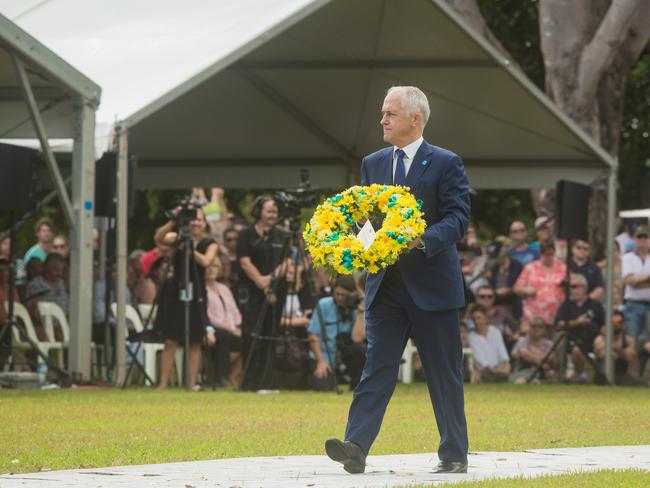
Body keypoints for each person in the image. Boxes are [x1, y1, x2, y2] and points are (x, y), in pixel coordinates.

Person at [325, 86, 470, 475]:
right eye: (383, 113)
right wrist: (357, 244)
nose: (382, 120)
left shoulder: (445, 162)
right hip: (385, 286)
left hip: (433, 286)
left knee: (443, 372)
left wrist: (424, 240)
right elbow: (367, 218)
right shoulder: (372, 162)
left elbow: (458, 218)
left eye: (389, 113)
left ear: (414, 119)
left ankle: (454, 453)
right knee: (377, 366)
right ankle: (355, 445)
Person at [154, 206, 218, 390]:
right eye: (192, 219)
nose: (195, 223)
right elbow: (158, 238)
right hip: (177, 291)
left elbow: (207, 261)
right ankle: (163, 383)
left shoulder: (209, 243)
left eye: (199, 219)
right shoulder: (177, 238)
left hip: (197, 291)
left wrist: (190, 250)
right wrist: (174, 220)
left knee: (196, 341)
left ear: (204, 223)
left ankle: (191, 384)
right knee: (170, 339)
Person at [237, 196, 290, 390]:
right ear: (259, 212)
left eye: (275, 211)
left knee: (271, 335)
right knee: (251, 335)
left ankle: (267, 381)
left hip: (276, 290)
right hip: (252, 291)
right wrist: (261, 282)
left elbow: (288, 262)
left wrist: (271, 279)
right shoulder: (246, 234)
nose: (272, 215)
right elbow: (244, 261)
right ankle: (248, 382)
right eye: (269, 211)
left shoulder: (282, 235)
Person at [308, 275, 365, 392]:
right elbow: (312, 335)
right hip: (325, 355)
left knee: (361, 350)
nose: (339, 297)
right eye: (337, 293)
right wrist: (321, 362)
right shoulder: (323, 304)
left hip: (344, 354)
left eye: (343, 295)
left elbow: (358, 339)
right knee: (324, 387)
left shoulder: (355, 308)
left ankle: (356, 386)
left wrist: (359, 312)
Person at [554, 273, 604, 383]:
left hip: (593, 341)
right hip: (573, 341)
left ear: (584, 288)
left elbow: (604, 324)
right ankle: (582, 375)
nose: (570, 290)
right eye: (568, 287)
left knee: (602, 345)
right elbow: (558, 325)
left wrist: (601, 337)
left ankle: (604, 377)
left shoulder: (595, 305)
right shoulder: (566, 305)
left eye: (573, 287)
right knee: (577, 350)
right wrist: (577, 323)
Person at [205, 257, 243, 387]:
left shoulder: (224, 289)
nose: (211, 270)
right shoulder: (202, 290)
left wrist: (238, 326)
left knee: (248, 338)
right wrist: (231, 328)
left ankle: (234, 376)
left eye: (215, 266)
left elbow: (235, 311)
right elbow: (208, 316)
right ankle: (220, 377)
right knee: (224, 337)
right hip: (214, 327)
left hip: (232, 327)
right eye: (208, 266)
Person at [514, 240, 566, 326]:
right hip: (534, 315)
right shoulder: (530, 268)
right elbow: (516, 288)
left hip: (556, 314)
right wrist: (526, 290)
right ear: (540, 253)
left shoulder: (562, 267)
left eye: (551, 254)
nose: (549, 258)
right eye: (545, 255)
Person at [467, 304, 510, 383]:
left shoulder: (495, 331)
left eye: (479, 318)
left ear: (485, 317)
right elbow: (480, 361)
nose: (476, 321)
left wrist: (505, 365)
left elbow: (503, 354)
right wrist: (496, 370)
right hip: (484, 372)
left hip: (499, 368)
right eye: (474, 319)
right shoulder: (470, 337)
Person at [621, 225, 650, 340]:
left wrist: (638, 281)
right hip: (633, 305)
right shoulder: (627, 258)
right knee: (631, 341)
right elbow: (629, 280)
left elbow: (634, 281)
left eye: (645, 236)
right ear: (634, 239)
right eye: (639, 237)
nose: (642, 239)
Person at [593, 311, 638, 385]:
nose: (616, 325)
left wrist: (614, 351)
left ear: (623, 323)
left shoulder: (628, 339)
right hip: (602, 376)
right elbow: (601, 353)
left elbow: (630, 355)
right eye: (613, 322)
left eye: (619, 322)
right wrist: (620, 352)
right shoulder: (600, 338)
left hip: (623, 376)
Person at [510, 316, 556, 383]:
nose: (537, 328)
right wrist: (542, 364)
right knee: (521, 381)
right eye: (533, 326)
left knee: (551, 374)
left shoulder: (549, 344)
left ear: (544, 329)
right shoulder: (522, 340)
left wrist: (532, 352)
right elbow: (522, 354)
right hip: (523, 372)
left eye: (540, 326)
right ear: (529, 328)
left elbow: (552, 358)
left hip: (542, 374)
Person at [473, 284, 519, 351]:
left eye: (490, 296)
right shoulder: (471, 312)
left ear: (494, 298)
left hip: (502, 348)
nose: (486, 298)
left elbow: (515, 328)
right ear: (476, 298)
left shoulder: (503, 311)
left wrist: (516, 334)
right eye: (482, 296)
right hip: (478, 349)